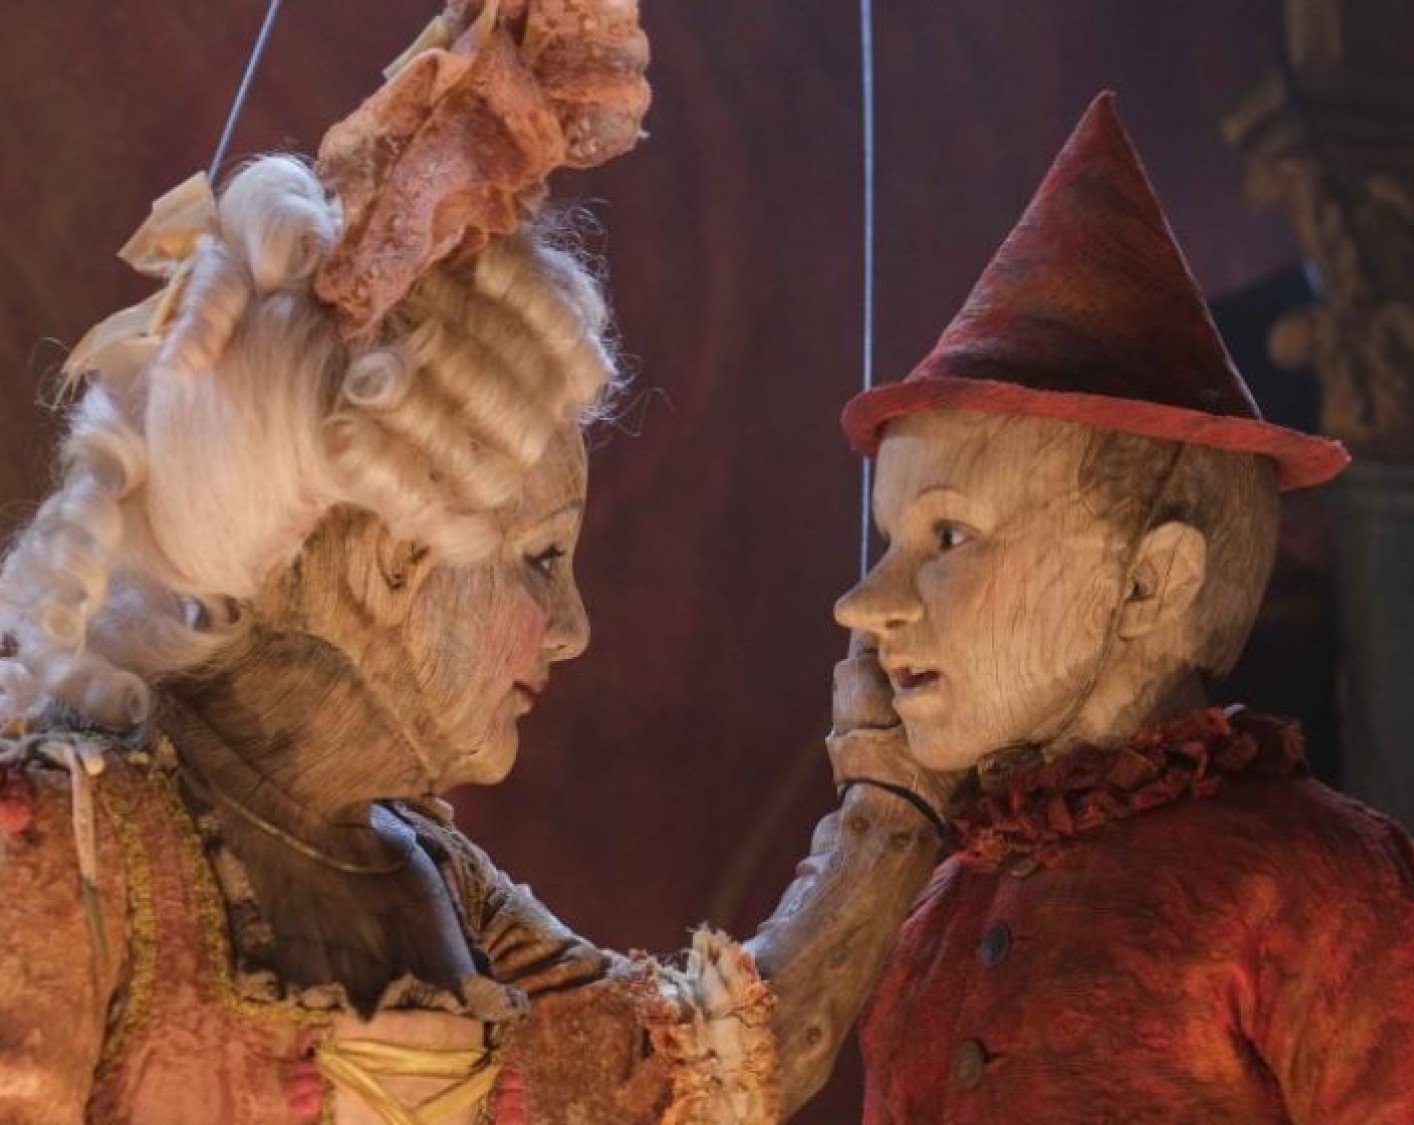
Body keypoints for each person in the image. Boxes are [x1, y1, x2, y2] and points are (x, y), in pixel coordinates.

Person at [0, 4, 951, 1121]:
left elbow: (706, 1069)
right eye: (540, 559)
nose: (573, 628)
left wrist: (888, 802)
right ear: (393, 563)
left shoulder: (438, 885)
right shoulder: (62, 849)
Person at [835, 92, 1414, 1122]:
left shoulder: (1315, 886)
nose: (865, 604)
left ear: (1152, 582)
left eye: (949, 537)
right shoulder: (935, 912)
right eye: (890, 544)